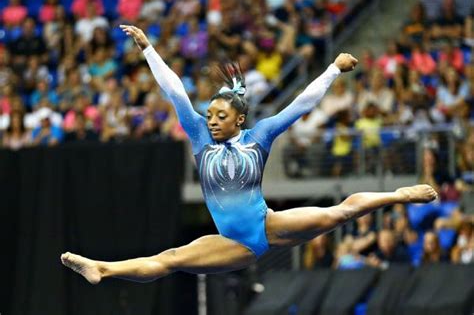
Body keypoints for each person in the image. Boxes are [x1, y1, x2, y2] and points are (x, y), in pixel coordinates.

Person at [61, 25, 437, 284]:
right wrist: (149, 49)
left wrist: (333, 70)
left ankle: (399, 194)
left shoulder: (259, 136)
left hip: (266, 225)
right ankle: (102, 269)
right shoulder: (199, 137)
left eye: (220, 116)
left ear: (239, 119)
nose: (210, 121)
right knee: (172, 258)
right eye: (208, 114)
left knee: (340, 212)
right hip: (232, 242)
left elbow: (300, 105)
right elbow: (174, 91)